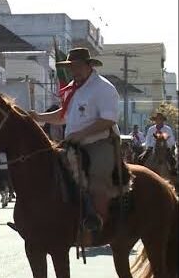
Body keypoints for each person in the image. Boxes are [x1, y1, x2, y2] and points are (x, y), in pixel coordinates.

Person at [28, 48, 121, 233]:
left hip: (100, 143)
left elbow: (108, 120)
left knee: (97, 176)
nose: (73, 71)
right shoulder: (73, 88)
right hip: (74, 143)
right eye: (71, 67)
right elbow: (63, 116)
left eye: (77, 66)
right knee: (50, 172)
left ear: (89, 66)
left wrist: (82, 134)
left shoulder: (103, 88)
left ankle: (97, 221)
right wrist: (39, 116)